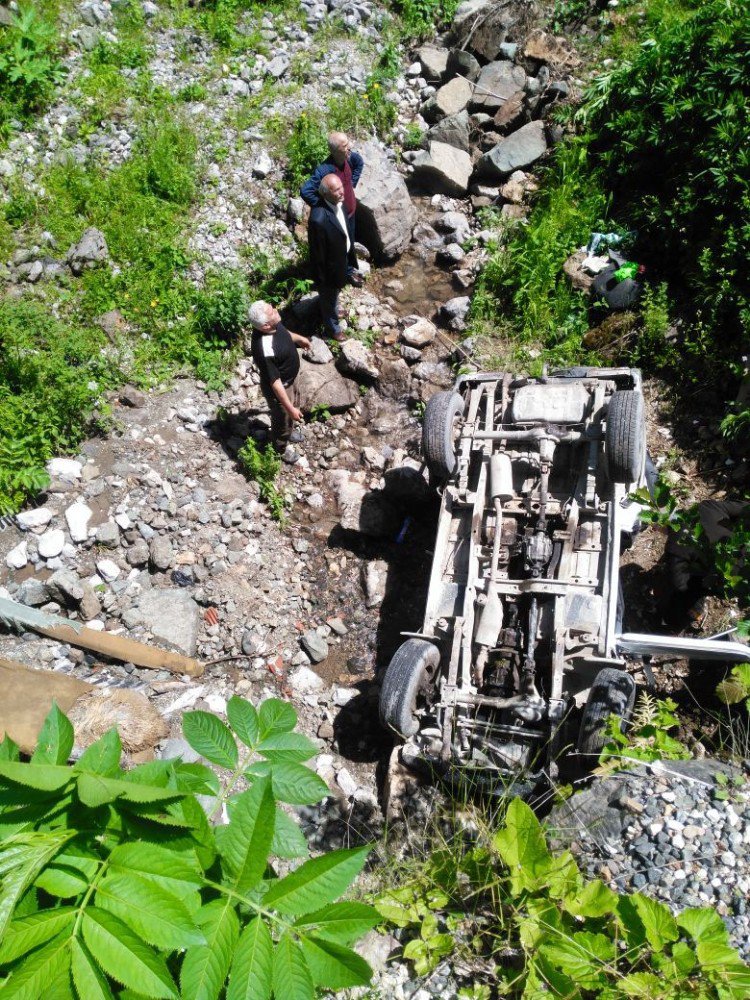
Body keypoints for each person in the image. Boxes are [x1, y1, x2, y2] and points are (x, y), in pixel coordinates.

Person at [248, 300, 310, 464]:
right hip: (281, 388)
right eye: (272, 312)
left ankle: (288, 433)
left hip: (290, 379)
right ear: (266, 326)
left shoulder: (274, 326)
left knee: (290, 412)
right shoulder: (265, 348)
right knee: (281, 419)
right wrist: (289, 409)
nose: (276, 310)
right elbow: (274, 382)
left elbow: (284, 334)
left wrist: (299, 339)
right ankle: (279, 448)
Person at [301, 132, 364, 287]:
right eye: (344, 146)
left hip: (350, 212)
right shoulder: (325, 170)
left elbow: (360, 162)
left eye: (348, 143)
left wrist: (351, 184)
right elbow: (306, 190)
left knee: (349, 242)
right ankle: (336, 279)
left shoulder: (350, 158)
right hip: (337, 218)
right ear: (335, 151)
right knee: (338, 249)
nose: (349, 147)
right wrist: (325, 208)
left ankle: (349, 271)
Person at [308, 174, 359, 342]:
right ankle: (333, 328)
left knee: (336, 292)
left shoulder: (339, 204)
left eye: (341, 187)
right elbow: (317, 254)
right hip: (329, 269)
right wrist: (322, 279)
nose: (342, 192)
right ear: (325, 194)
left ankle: (335, 310)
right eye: (337, 190)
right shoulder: (318, 219)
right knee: (328, 297)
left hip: (341, 261)